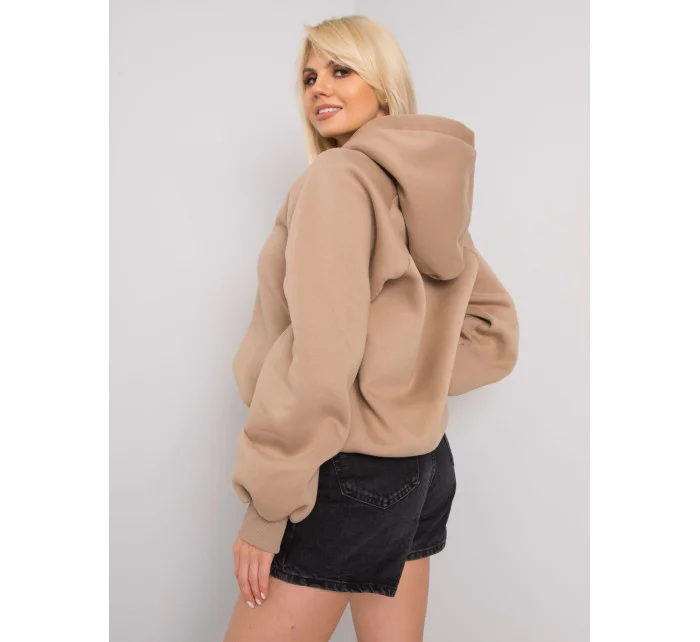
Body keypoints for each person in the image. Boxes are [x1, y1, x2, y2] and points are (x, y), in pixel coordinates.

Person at [223, 14, 519, 642]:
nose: (319, 89)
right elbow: (493, 332)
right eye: (309, 77)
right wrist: (399, 386)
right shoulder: (425, 193)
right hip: (421, 467)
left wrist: (268, 508)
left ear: (383, 84)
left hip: (344, 473)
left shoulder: (337, 179)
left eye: (341, 70)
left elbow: (321, 359)